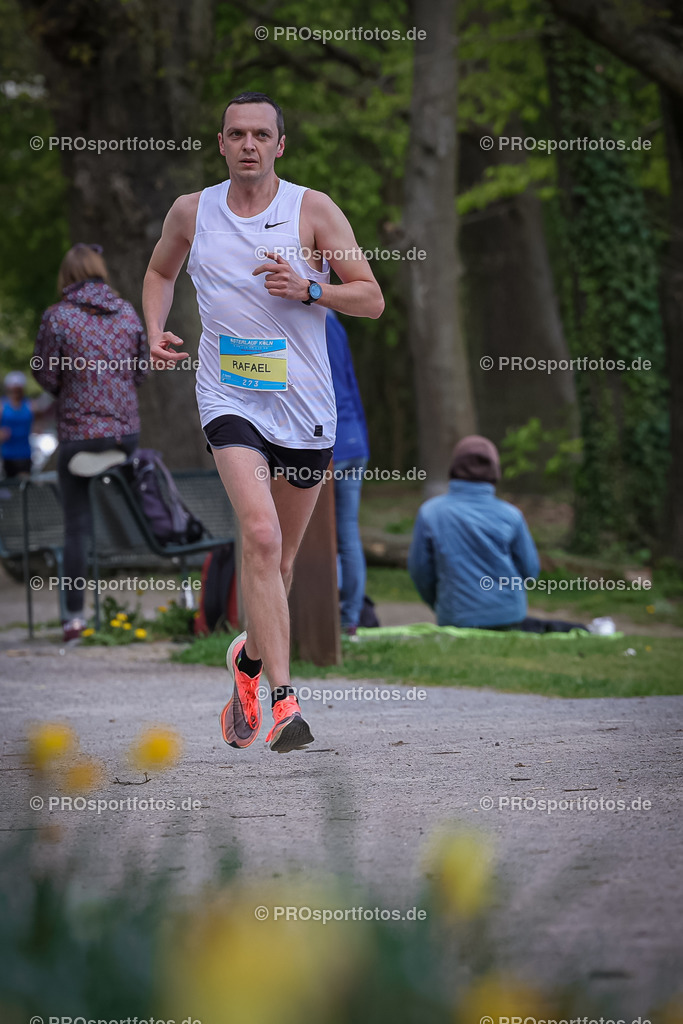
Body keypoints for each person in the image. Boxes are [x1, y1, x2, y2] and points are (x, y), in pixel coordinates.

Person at [143, 91, 383, 754]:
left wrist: (310, 288)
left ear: (280, 145)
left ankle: (245, 665)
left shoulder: (312, 209)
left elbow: (370, 298)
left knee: (276, 567)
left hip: (304, 407)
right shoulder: (193, 212)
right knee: (258, 534)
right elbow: (160, 270)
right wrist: (154, 328)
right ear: (220, 143)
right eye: (236, 133)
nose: (248, 144)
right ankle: (284, 701)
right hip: (230, 397)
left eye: (260, 134)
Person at [32, 243, 148, 642]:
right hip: (125, 437)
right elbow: (142, 371)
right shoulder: (128, 312)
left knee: (77, 527)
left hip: (80, 441)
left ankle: (74, 619)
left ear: (67, 277)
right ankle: (177, 590)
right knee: (139, 501)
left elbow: (46, 378)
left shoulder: (57, 318)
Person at [408, 435, 587, 632]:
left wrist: (441, 602)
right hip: (509, 615)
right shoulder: (511, 515)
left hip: (456, 617)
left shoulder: (430, 513)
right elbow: (530, 570)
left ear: (454, 468)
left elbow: (419, 570)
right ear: (495, 471)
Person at [325, 310, 370, 636]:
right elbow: (350, 382)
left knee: (320, 537)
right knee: (348, 535)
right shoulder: (335, 322)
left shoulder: (312, 319)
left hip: (329, 443)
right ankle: (349, 619)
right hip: (354, 441)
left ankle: (325, 613)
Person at [1, 371, 33, 478]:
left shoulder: (30, 406)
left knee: (22, 487)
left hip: (24, 454)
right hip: (5, 456)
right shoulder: (2, 407)